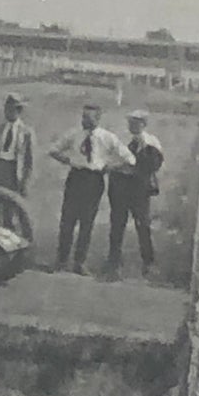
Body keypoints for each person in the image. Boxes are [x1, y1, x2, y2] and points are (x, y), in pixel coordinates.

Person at [48, 103, 135, 274]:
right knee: (67, 220)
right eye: (83, 117)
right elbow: (53, 149)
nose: (84, 121)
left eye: (88, 118)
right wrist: (67, 160)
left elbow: (130, 159)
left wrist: (110, 167)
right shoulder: (74, 134)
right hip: (75, 177)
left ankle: (79, 263)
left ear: (98, 119)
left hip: (94, 180)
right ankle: (61, 260)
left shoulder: (107, 137)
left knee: (87, 222)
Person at [105, 110, 164, 279]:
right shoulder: (120, 140)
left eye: (137, 122)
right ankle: (113, 262)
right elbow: (112, 161)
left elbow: (154, 164)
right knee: (117, 224)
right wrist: (123, 167)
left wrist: (136, 166)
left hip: (140, 189)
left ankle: (148, 262)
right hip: (120, 186)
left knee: (143, 225)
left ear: (144, 124)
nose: (133, 126)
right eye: (131, 122)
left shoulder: (151, 142)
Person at [0, 94, 35, 195]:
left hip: (14, 172)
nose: (7, 112)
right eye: (6, 109)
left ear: (18, 111)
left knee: (10, 204)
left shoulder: (26, 133)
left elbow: (29, 162)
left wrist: (25, 183)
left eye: (11, 109)